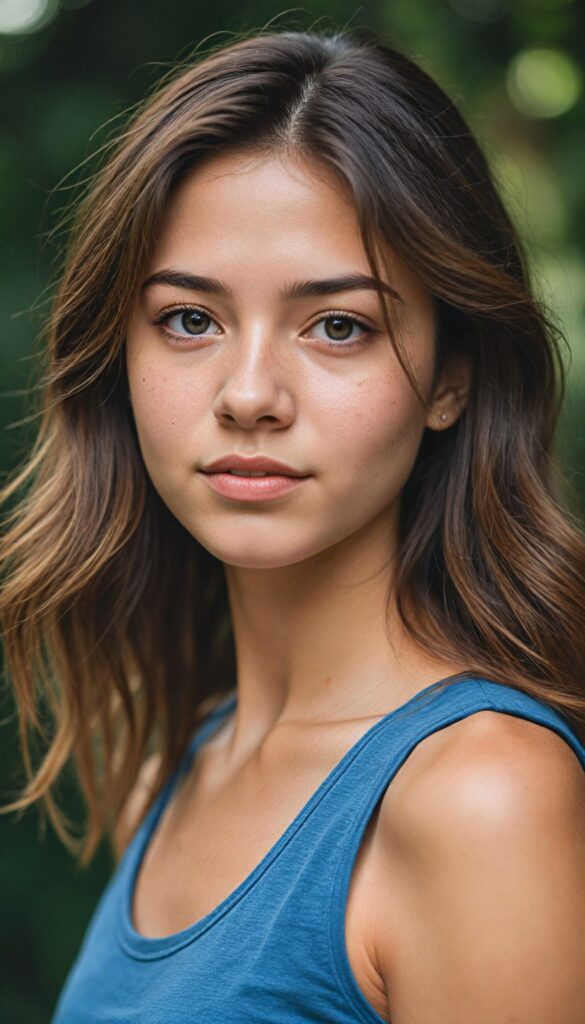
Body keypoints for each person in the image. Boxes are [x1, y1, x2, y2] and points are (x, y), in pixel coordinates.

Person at [1, 25, 585, 1024]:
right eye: (190, 318)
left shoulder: (481, 798)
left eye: (338, 325)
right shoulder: (180, 765)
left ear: (452, 375)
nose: (250, 393)